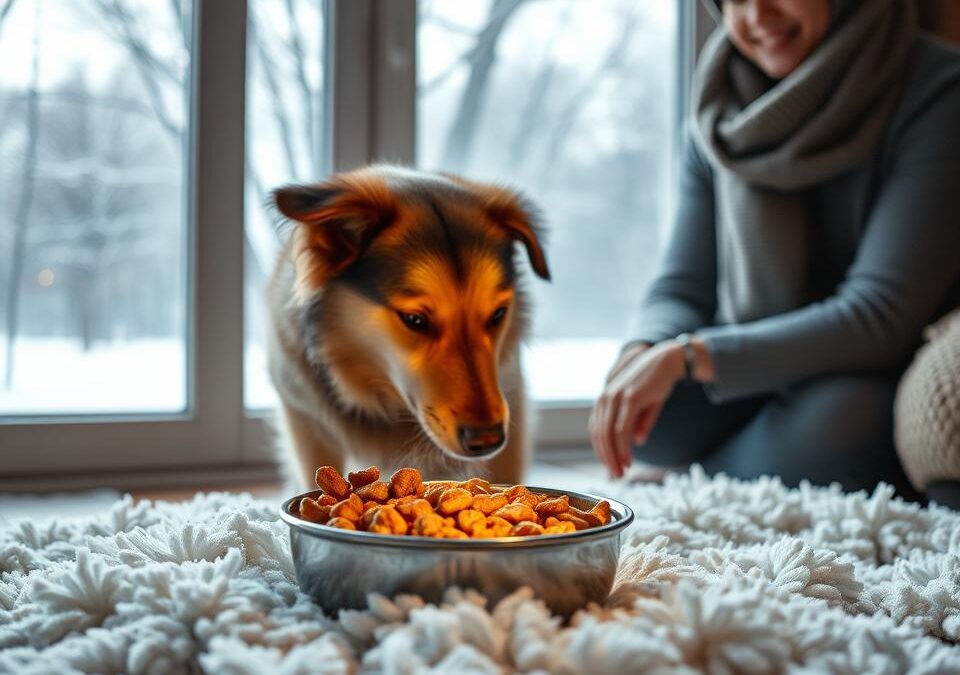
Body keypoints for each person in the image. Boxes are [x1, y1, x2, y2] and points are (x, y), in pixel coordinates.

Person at [589, 0, 960, 498]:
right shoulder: (720, 106)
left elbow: (880, 315)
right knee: (652, 420)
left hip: (875, 365)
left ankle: (694, 483)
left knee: (839, 429)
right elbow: (683, 284)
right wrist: (642, 351)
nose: (756, 14)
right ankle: (741, 462)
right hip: (756, 355)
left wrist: (688, 357)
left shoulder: (937, 90)